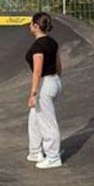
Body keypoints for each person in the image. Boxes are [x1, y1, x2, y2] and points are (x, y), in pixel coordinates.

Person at [25, 12, 63, 169]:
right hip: (54, 81)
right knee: (34, 117)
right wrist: (54, 80)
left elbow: (37, 71)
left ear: (35, 26)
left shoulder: (38, 46)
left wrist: (33, 93)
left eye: (30, 23)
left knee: (47, 123)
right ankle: (35, 151)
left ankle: (53, 156)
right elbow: (59, 65)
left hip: (45, 85)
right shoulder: (52, 42)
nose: (29, 26)